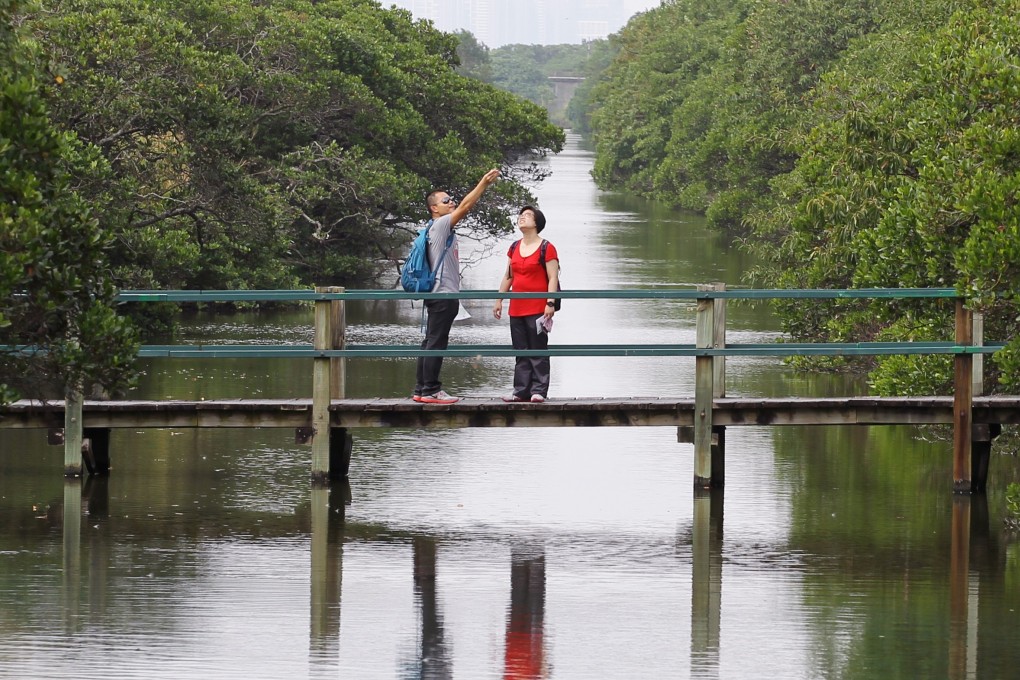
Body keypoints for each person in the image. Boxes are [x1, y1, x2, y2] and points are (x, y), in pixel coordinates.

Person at [413, 168, 501, 404]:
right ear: (434, 208)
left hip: (437, 294)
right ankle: (431, 390)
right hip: (443, 294)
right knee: (436, 342)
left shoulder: (434, 227)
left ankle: (422, 389)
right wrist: (483, 183)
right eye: (446, 201)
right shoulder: (441, 224)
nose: (451, 202)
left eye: (451, 199)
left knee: (430, 341)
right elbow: (466, 206)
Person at [492, 205, 559, 403]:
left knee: (537, 349)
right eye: (521, 215)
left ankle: (538, 390)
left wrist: (550, 302)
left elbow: (553, 277)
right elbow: (508, 276)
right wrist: (499, 299)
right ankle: (520, 391)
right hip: (517, 308)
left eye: (528, 215)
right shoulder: (514, 247)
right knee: (520, 351)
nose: (522, 217)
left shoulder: (547, 247)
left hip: (538, 307)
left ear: (537, 222)